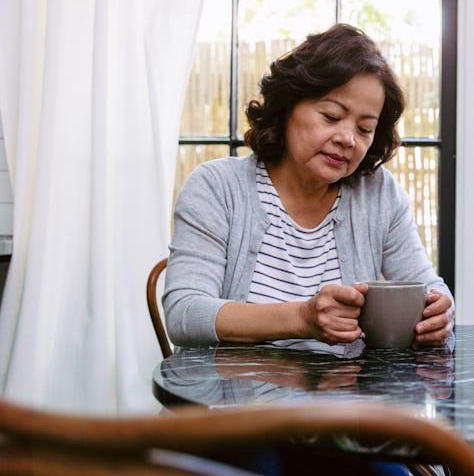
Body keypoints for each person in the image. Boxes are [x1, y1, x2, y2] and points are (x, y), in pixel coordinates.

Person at [162, 25, 454, 474]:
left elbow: (424, 284)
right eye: (331, 116)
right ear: (288, 106)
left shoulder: (378, 195)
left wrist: (440, 309)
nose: (347, 139)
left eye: (364, 128)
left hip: (342, 421)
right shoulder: (217, 187)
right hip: (229, 417)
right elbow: (184, 313)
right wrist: (302, 318)